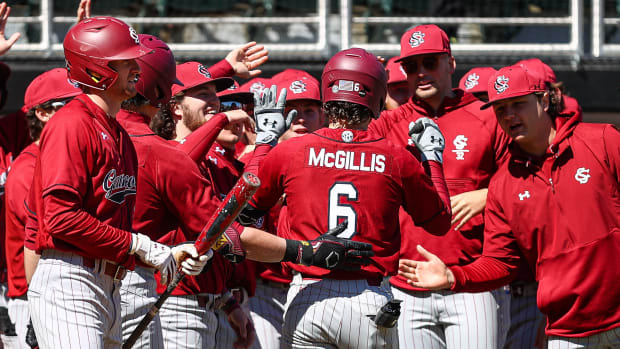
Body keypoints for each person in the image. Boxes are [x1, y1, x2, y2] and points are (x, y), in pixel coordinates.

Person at [238, 47, 452, 349]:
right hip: (370, 299)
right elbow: (440, 222)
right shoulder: (396, 157)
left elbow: (242, 212)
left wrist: (263, 144)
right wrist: (433, 159)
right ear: (377, 96)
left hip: (308, 295)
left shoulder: (290, 151)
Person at [398, 64, 620, 348]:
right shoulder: (504, 184)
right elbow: (501, 262)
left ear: (543, 100)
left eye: (517, 104)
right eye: (501, 109)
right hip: (568, 332)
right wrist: (453, 276)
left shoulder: (602, 140)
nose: (509, 115)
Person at [25, 17, 200, 348]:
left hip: (110, 284)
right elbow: (60, 218)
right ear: (96, 68)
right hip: (71, 278)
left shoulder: (117, 132)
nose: (137, 68)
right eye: (126, 61)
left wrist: (166, 254)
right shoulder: (71, 124)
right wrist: (140, 246)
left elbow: (110, 222)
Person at [368, 24, 511, 349]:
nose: (421, 73)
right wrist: (369, 87)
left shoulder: (486, 117)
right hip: (407, 283)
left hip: (471, 281)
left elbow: (527, 181)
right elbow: (336, 145)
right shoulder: (390, 123)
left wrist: (489, 194)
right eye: (411, 66)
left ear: (451, 63)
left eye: (430, 62)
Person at [4, 68, 81, 349]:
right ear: (43, 113)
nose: (81, 113)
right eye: (70, 105)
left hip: (65, 292)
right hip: (31, 299)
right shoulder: (28, 167)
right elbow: (49, 234)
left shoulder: (66, 158)